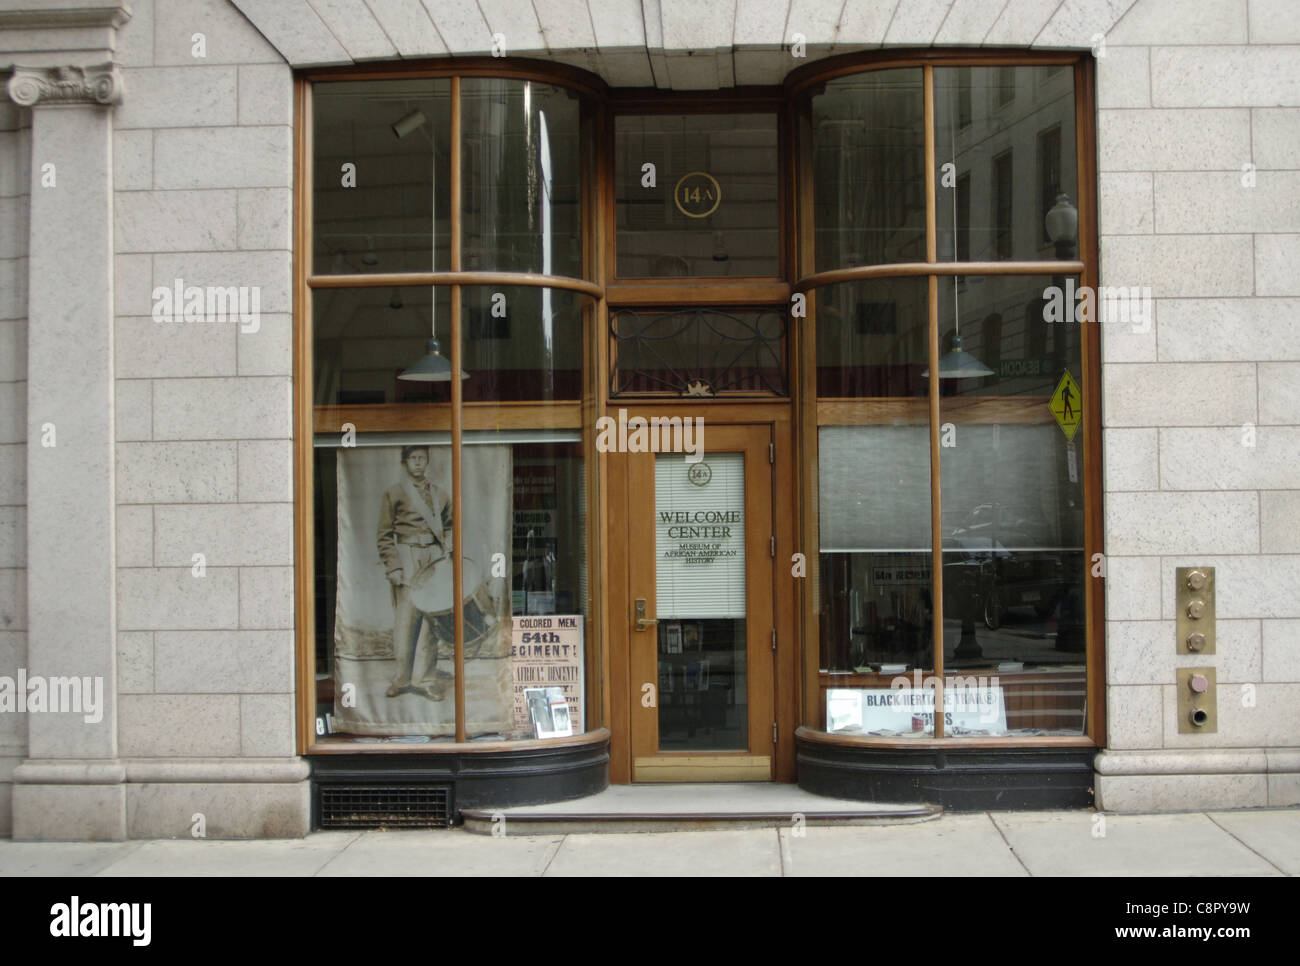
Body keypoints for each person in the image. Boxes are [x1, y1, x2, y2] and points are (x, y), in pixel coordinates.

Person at [377, 445, 454, 700]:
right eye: (413, 458)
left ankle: (426, 680)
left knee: (432, 619)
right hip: (408, 555)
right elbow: (385, 535)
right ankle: (401, 679)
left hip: (434, 557)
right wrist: (394, 566)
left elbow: (450, 527)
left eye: (422, 458)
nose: (418, 463)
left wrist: (448, 552)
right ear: (405, 462)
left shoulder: (441, 495)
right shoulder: (394, 493)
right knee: (406, 621)